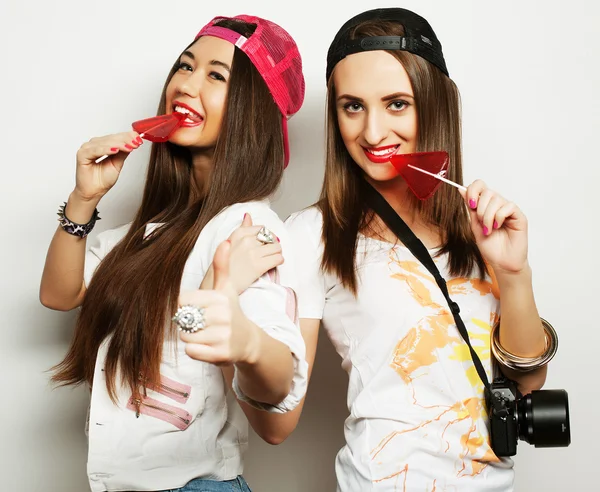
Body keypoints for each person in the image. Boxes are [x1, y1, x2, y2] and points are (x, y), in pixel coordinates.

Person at [278, 8, 552, 491]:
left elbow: (528, 385)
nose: (373, 132)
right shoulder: (313, 234)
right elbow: (277, 420)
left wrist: (514, 273)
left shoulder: (481, 224)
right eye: (352, 106)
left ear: (434, 104)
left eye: (397, 103)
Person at [39, 14, 307, 492]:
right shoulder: (150, 231)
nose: (187, 84)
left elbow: (280, 379)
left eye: (215, 75)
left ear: (252, 110)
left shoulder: (248, 225)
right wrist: (84, 198)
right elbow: (60, 295)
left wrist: (234, 320)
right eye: (185, 67)